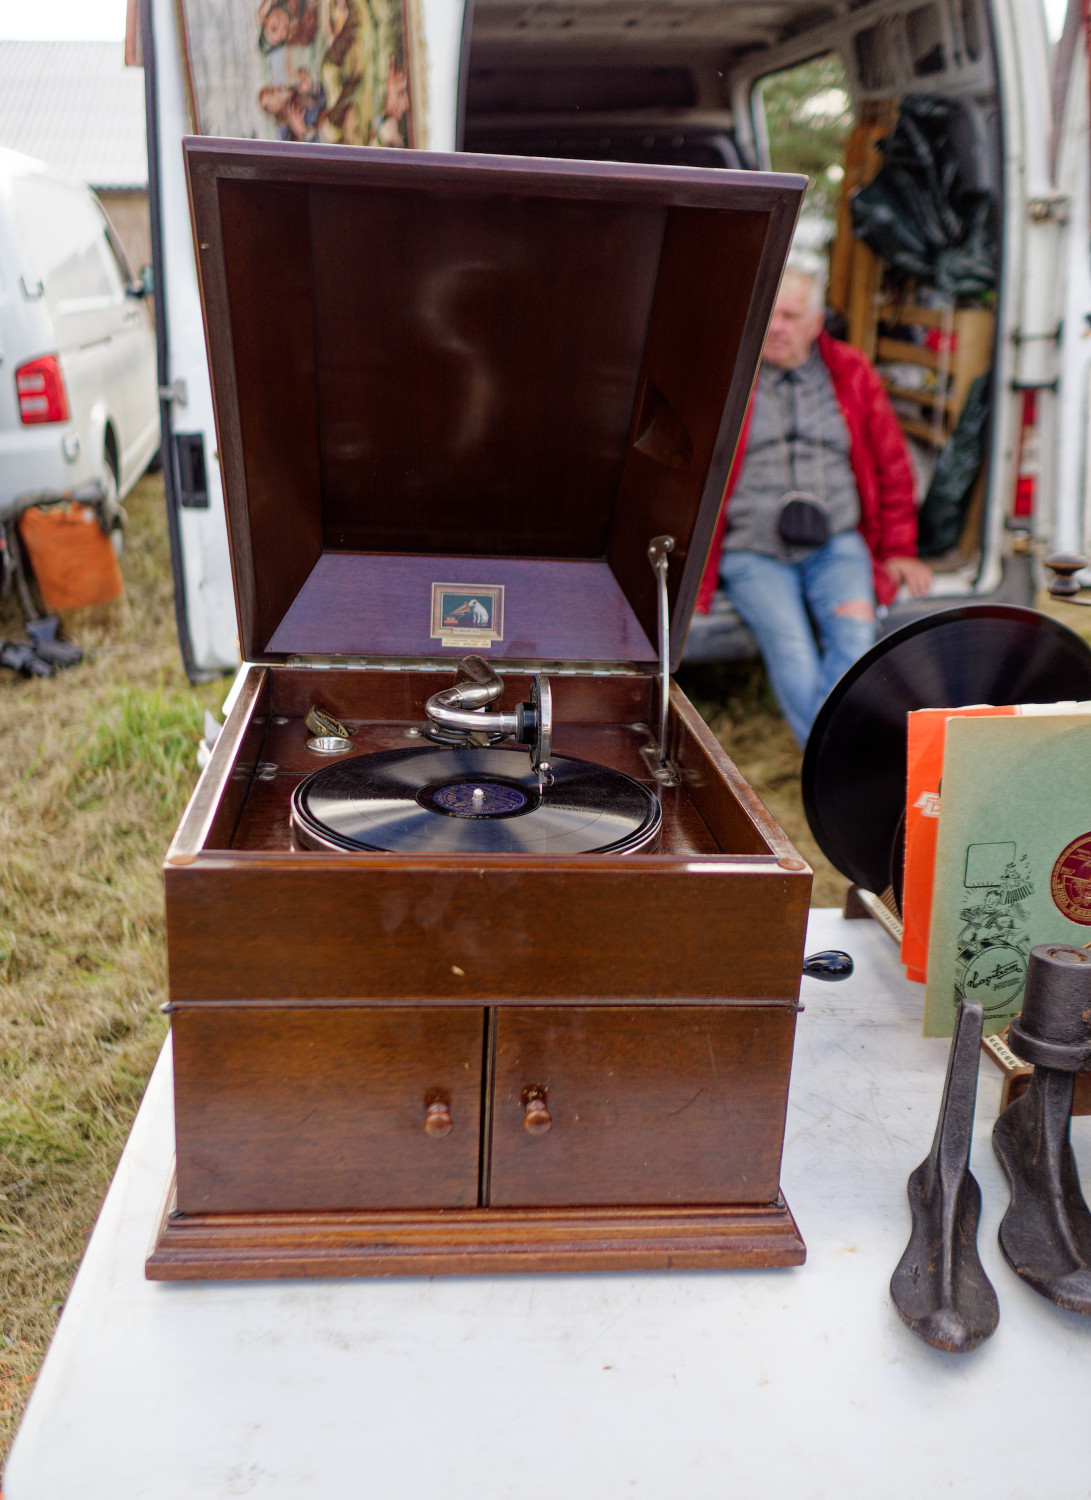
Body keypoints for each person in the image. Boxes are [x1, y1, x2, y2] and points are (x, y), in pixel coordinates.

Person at [696, 258, 933, 746]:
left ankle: (832, 762)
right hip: (754, 551)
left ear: (817, 322)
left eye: (791, 316)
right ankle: (841, 765)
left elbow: (892, 465)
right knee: (794, 653)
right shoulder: (727, 375)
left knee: (855, 639)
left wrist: (898, 549)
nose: (776, 328)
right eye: (770, 316)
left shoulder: (850, 371)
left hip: (836, 544)